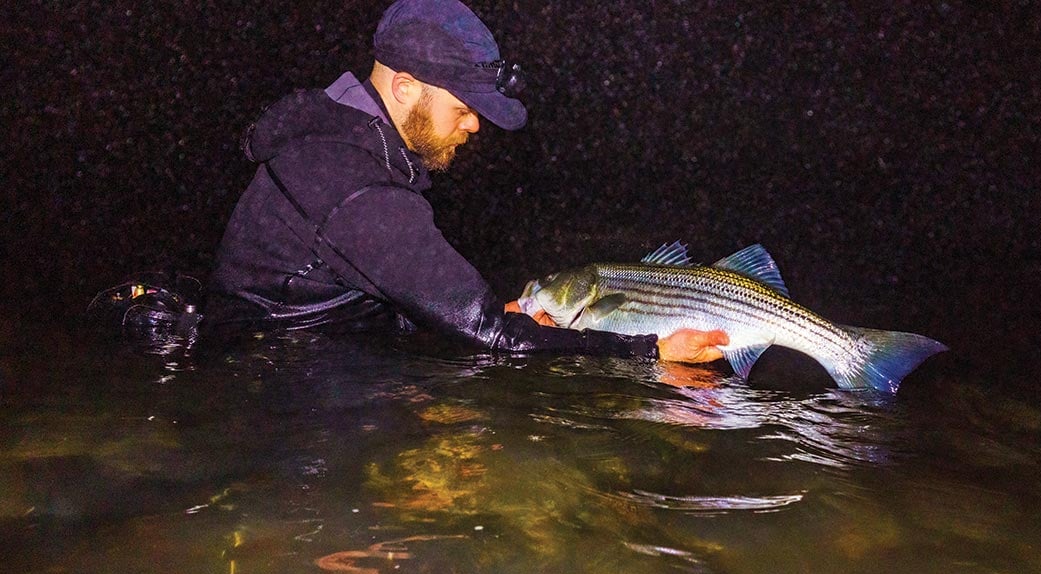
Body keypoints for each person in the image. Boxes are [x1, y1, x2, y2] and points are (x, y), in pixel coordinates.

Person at [205, 0, 727, 363]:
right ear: (405, 88)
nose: (475, 124)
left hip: (306, 363)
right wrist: (649, 351)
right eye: (464, 107)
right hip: (271, 395)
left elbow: (378, 305)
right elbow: (490, 338)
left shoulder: (341, 147)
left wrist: (491, 314)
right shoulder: (352, 184)